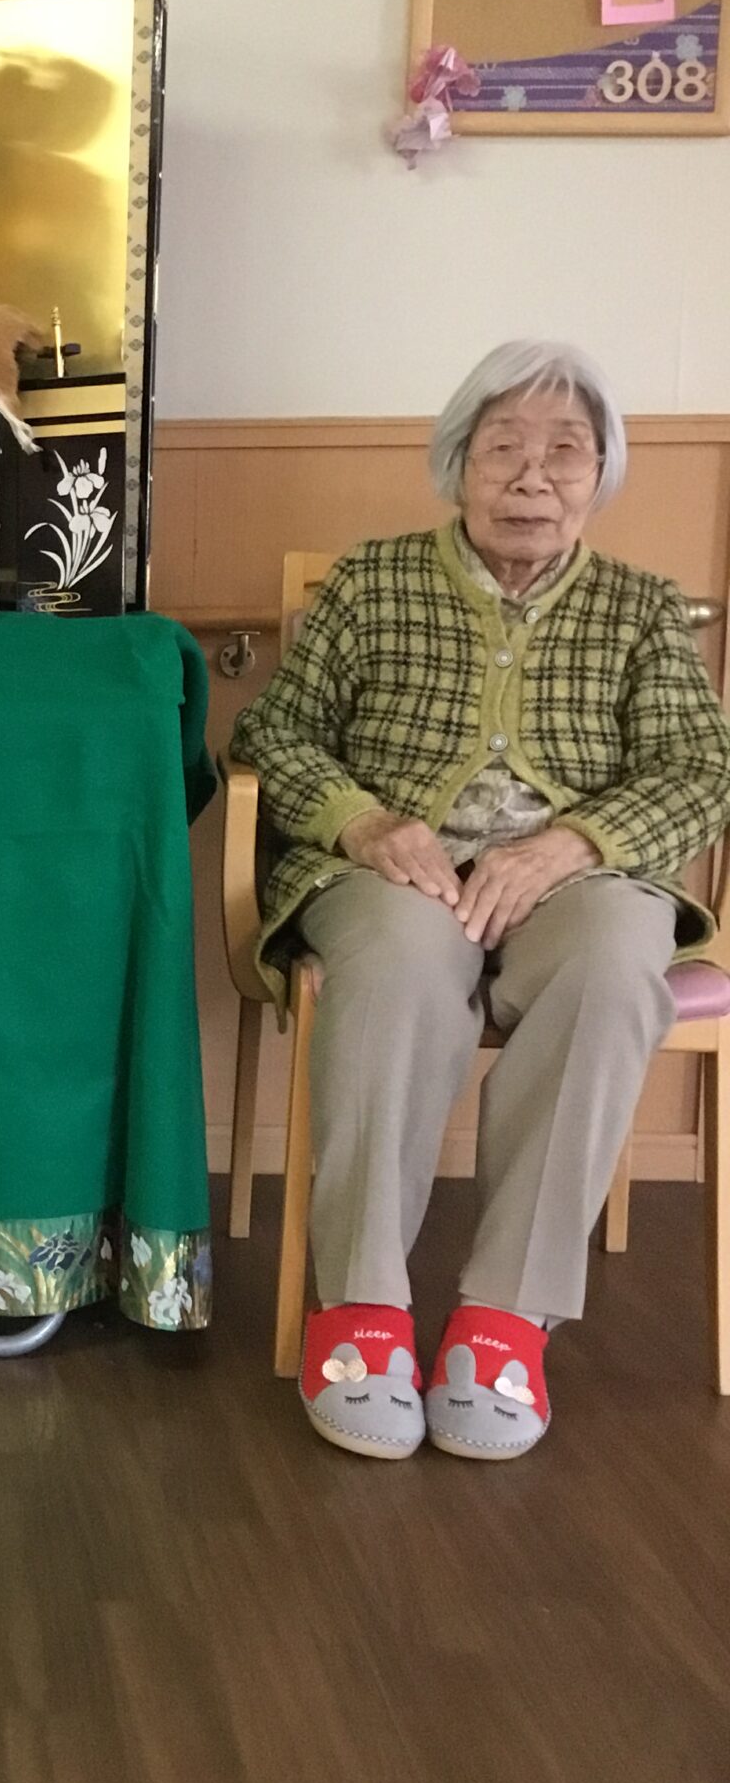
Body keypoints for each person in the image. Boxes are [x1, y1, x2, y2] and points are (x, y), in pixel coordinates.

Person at [231, 341, 730, 1461]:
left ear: (600, 474)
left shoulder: (642, 608)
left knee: (612, 968)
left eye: (566, 452)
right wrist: (366, 822)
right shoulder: (371, 582)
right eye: (503, 447)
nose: (532, 476)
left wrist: (574, 844)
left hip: (574, 881)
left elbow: (702, 770)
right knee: (397, 964)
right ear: (458, 462)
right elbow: (274, 734)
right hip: (392, 872)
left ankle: (507, 1317)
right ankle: (360, 1305)